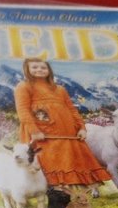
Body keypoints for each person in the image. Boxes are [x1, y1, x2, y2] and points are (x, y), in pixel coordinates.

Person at [14, 58, 110, 192]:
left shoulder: (60, 89)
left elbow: (72, 110)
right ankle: (49, 192)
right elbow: (22, 110)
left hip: (67, 133)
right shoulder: (23, 86)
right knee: (48, 160)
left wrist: (81, 128)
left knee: (68, 161)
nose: (39, 70)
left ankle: (71, 195)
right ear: (27, 70)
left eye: (43, 67)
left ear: (49, 70)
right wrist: (34, 131)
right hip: (42, 133)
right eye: (34, 67)